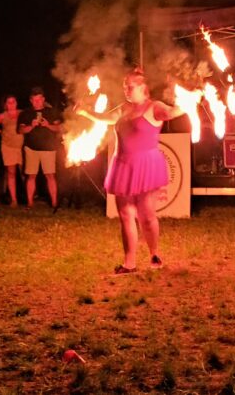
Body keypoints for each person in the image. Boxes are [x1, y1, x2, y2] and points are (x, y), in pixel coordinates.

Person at [77, 69, 184, 274]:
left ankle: (154, 254)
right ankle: (129, 263)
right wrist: (85, 111)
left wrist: (191, 100)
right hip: (123, 164)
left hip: (146, 165)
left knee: (147, 215)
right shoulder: (124, 108)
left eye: (130, 87)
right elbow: (107, 118)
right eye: (124, 87)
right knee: (126, 214)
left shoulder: (154, 107)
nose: (126, 90)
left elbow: (171, 113)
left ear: (143, 88)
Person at [17, 87, 62, 209]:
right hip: (31, 148)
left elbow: (58, 128)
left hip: (48, 148)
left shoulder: (51, 112)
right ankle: (30, 203)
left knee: (50, 175)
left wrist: (48, 125)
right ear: (31, 100)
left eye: (39, 99)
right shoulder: (25, 113)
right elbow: (20, 130)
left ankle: (54, 203)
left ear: (43, 99)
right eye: (34, 100)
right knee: (31, 176)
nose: (37, 102)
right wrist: (31, 126)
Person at [0, 95, 23, 207]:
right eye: (9, 102)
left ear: (16, 103)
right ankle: (14, 200)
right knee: (11, 173)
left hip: (22, 146)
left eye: (13, 102)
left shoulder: (22, 113)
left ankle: (29, 197)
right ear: (6, 104)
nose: (11, 104)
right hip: (8, 146)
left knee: (26, 172)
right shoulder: (2, 116)